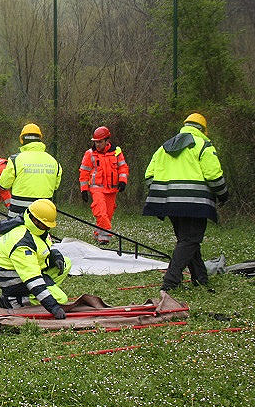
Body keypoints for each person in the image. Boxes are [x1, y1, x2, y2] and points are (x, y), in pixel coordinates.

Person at [143, 113, 228, 291]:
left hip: (169, 202)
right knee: (190, 240)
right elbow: (214, 176)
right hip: (195, 202)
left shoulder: (164, 147)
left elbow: (149, 176)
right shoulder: (203, 145)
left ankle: (200, 278)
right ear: (203, 129)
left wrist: (166, 190)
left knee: (187, 240)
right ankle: (170, 281)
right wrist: (223, 194)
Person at [0, 199, 72, 319]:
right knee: (61, 299)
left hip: (24, 273)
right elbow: (32, 279)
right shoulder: (23, 242)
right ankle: (15, 300)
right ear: (35, 220)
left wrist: (55, 255)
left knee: (66, 263)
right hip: (14, 282)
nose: (47, 229)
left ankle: (41, 293)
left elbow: (46, 245)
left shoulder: (36, 229)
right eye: (46, 225)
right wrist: (54, 307)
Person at [0, 123, 61, 218]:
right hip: (44, 212)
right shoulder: (54, 161)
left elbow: (3, 184)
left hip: (18, 211)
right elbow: (55, 186)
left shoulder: (15, 159)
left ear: (22, 140)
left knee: (13, 232)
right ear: (40, 139)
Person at [79, 126, 129, 244]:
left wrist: (123, 181)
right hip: (96, 189)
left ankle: (98, 234)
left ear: (107, 141)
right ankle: (104, 238)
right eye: (95, 142)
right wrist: (84, 190)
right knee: (100, 212)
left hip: (112, 189)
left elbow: (123, 167)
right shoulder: (89, 154)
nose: (97, 144)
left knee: (108, 215)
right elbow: (84, 172)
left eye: (100, 142)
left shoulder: (117, 152)